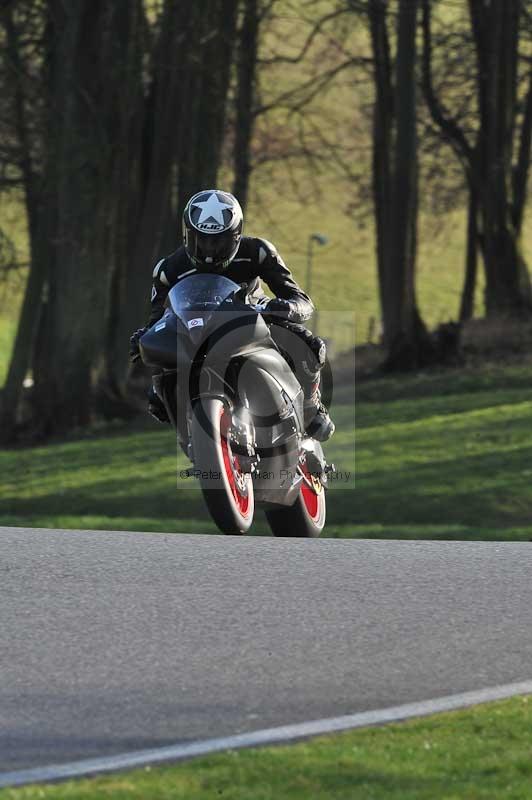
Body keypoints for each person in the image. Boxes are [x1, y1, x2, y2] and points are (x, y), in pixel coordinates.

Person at [130, 189, 334, 441]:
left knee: (309, 345)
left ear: (236, 236)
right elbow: (157, 317)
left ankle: (310, 405)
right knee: (156, 397)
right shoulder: (168, 269)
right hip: (197, 330)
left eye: (218, 242)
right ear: (187, 235)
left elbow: (300, 299)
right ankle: (194, 437)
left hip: (251, 316)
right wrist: (144, 335)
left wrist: (286, 308)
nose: (208, 250)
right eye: (201, 240)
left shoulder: (258, 251)